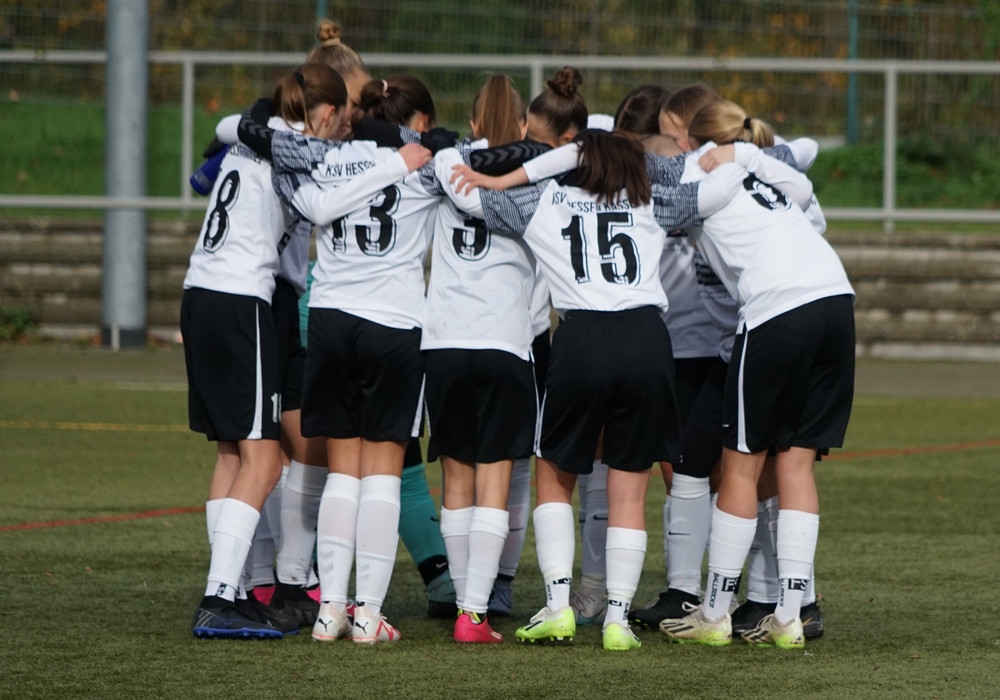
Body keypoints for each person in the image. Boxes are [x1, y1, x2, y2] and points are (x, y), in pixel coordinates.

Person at [447, 127, 762, 651]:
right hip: (646, 338)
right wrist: (664, 164)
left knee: (553, 473)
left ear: (576, 160)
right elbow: (723, 185)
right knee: (630, 487)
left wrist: (483, 165)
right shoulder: (651, 200)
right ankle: (617, 617)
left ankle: (558, 606)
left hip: (583, 336)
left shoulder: (545, 199)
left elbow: (469, 196)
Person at [237, 64, 433, 644]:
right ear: (413, 123)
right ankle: (369, 612)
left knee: (342, 474)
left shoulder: (325, 156)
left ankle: (331, 610)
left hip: (330, 320)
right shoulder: (425, 163)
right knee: (382, 477)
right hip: (392, 323)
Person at [657, 100, 855, 649]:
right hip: (836, 300)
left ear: (691, 143)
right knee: (795, 463)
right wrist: (744, 150)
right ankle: (791, 617)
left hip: (777, 309)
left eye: (676, 140)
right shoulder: (763, 170)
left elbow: (660, 195)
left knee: (739, 464)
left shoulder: (701, 168)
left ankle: (715, 612)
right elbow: (804, 183)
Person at [184, 70, 356, 639]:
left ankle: (229, 591)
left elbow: (224, 129)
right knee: (262, 459)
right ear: (325, 112)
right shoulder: (295, 147)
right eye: (342, 115)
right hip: (239, 299)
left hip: (200, 294)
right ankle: (218, 597)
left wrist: (240, 126)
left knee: (234, 454)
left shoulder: (250, 136)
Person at [423, 74, 537, 643]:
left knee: (456, 481)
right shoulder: (534, 177)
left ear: (471, 125)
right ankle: (474, 614)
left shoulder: (447, 162)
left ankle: (466, 602)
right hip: (502, 341)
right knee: (496, 480)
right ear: (521, 127)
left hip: (443, 341)